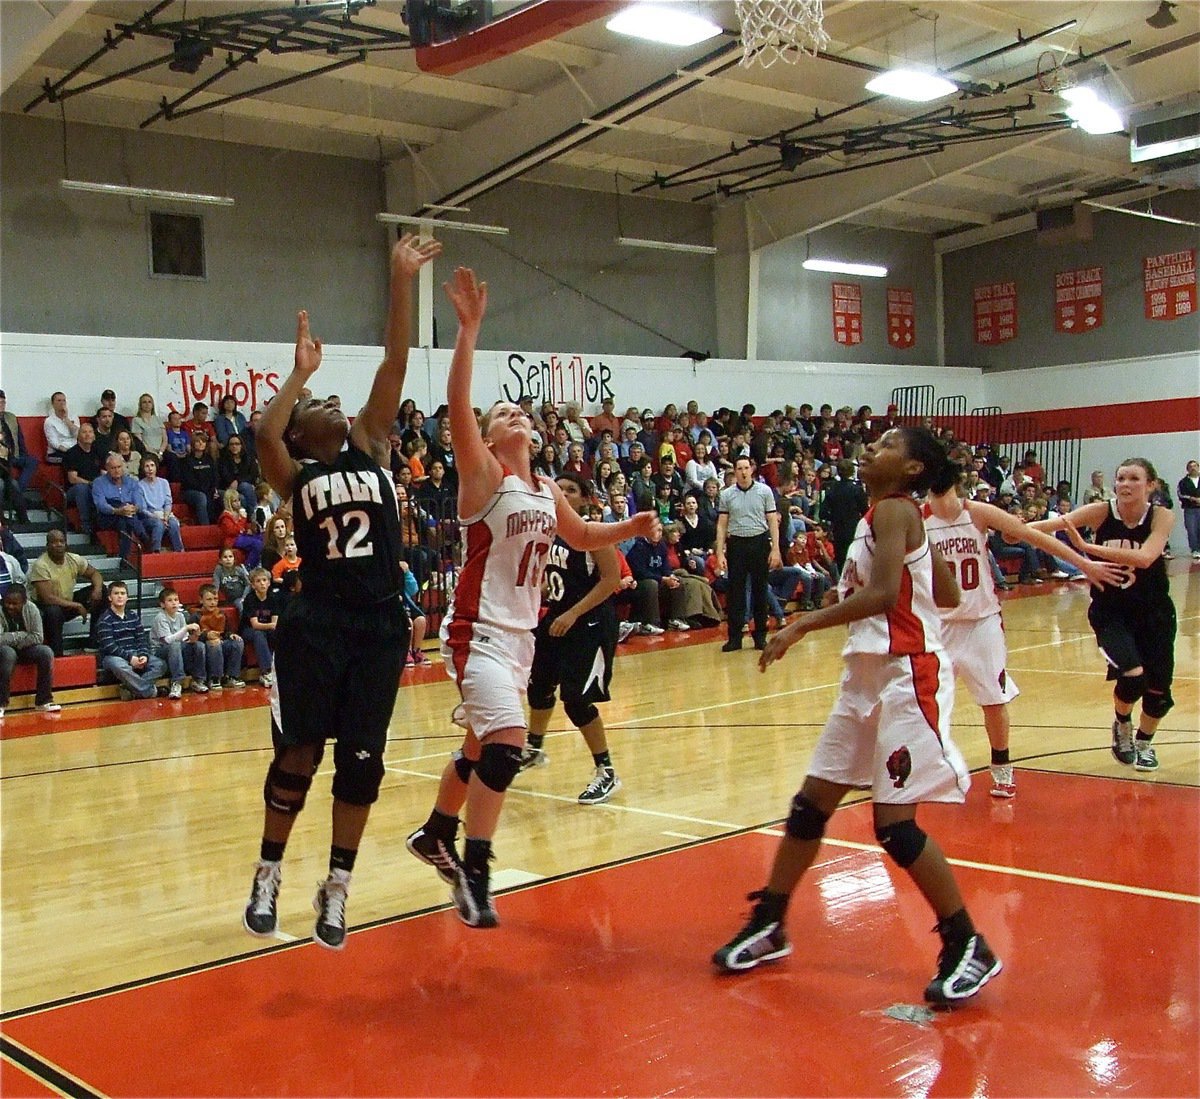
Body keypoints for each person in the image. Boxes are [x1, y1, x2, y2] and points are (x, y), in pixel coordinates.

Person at [712, 427, 1003, 1007]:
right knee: (810, 803)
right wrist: (915, 567)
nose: (873, 448)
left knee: (894, 825)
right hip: (867, 675)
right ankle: (770, 920)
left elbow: (885, 596)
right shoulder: (891, 514)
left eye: (890, 444)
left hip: (906, 675)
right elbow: (941, 592)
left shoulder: (895, 509)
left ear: (913, 470)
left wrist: (799, 625)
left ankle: (970, 944)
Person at [405, 266, 658, 928]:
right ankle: (476, 865)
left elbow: (577, 534)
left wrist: (629, 528)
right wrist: (468, 332)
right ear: (488, 439)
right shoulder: (483, 477)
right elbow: (459, 405)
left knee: (479, 750)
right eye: (502, 414)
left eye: (519, 410)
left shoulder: (547, 489)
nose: (513, 414)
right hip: (476, 631)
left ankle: (435, 831)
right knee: (509, 744)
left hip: (519, 640)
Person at [241, 233, 441, 951]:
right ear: (302, 431)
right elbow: (264, 429)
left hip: (381, 625)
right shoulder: (293, 474)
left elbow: (394, 358)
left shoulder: (372, 441)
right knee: (299, 753)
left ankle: (338, 885)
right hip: (317, 622)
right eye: (316, 401)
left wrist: (399, 279)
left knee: (362, 760)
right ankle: (269, 870)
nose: (332, 398)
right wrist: (298, 375)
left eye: (329, 392)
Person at [924, 473, 1119, 798]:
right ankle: (928, 768)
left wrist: (1084, 564)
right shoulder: (917, 519)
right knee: (927, 701)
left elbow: (1033, 537)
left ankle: (1001, 766)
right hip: (936, 625)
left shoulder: (978, 512)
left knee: (992, 699)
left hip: (980, 623)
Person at [1033, 458, 1178, 772]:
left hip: (1155, 614)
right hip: (1111, 612)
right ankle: (1122, 724)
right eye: (1121, 478)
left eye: (1134, 479)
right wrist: (1016, 532)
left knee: (1159, 693)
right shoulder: (1101, 512)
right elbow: (1053, 525)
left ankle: (1145, 743)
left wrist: (1087, 548)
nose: (1125, 484)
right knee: (1133, 675)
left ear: (1151, 485)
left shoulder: (1161, 516)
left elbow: (1145, 557)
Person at [515, 471, 624, 801]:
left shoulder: (594, 533)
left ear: (584, 497)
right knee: (538, 686)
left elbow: (611, 580)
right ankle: (533, 748)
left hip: (589, 623)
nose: (561, 493)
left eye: (570, 489)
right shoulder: (547, 529)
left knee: (576, 701)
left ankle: (606, 771)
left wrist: (573, 612)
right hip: (557, 618)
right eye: (558, 488)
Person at [715, 456, 782, 653]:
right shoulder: (726, 494)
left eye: (746, 468)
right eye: (739, 469)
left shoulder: (765, 491)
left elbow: (772, 521)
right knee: (735, 592)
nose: (743, 472)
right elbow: (721, 525)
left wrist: (775, 549)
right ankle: (735, 637)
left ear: (752, 469)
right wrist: (720, 552)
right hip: (736, 544)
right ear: (734, 471)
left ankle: (760, 636)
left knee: (761, 590)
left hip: (759, 542)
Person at [28, 530, 106, 655]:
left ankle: (94, 642)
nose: (58, 545)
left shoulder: (73, 559)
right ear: (47, 545)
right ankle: (57, 654)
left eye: (61, 541)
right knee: (53, 611)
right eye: (54, 542)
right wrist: (77, 605)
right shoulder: (41, 565)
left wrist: (97, 589)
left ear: (66, 544)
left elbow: (95, 574)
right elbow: (47, 598)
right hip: (43, 608)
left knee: (103, 591)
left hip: (66, 603)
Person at [97, 580, 166, 700]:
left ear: (127, 597)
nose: (119, 596)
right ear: (109, 597)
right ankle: (149, 691)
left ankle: (131, 689)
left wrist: (143, 654)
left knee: (160, 665)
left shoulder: (133, 616)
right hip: (113, 657)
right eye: (116, 593)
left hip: (135, 653)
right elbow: (109, 646)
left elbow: (141, 638)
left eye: (123, 593)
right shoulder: (104, 619)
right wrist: (130, 658)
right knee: (121, 666)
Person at [0, 584, 60, 718]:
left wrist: (14, 639)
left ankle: (43, 701)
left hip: (25, 648)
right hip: (4, 650)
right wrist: (20, 635)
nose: (10, 606)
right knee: (8, 654)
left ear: (24, 602)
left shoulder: (32, 609)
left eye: (15, 604)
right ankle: (1, 704)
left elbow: (38, 637)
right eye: (7, 603)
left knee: (46, 652)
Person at [91, 453, 149, 559]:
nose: (117, 470)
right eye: (113, 468)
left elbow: (139, 503)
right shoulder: (98, 483)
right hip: (107, 516)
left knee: (123, 522)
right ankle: (142, 535)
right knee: (121, 511)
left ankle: (124, 559)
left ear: (123, 467)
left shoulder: (131, 482)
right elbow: (101, 505)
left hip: (128, 514)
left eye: (119, 467)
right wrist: (118, 510)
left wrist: (132, 508)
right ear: (107, 468)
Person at [190, 584, 246, 691]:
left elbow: (226, 631)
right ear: (201, 600)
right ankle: (214, 678)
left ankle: (231, 676)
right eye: (209, 599)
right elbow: (192, 637)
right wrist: (206, 635)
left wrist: (231, 635)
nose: (212, 602)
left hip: (221, 642)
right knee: (214, 644)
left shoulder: (222, 614)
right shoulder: (196, 616)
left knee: (238, 642)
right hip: (206, 645)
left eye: (215, 599)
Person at [150, 586, 203, 699]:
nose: (174, 603)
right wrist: (185, 628)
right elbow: (167, 641)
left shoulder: (180, 616)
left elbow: (184, 639)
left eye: (176, 600)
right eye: (170, 600)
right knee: (174, 645)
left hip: (177, 648)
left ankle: (198, 680)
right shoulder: (161, 618)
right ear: (162, 605)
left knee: (199, 645)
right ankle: (177, 682)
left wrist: (194, 637)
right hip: (160, 652)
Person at [820, 459, 869, 569]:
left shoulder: (831, 489)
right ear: (852, 471)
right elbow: (865, 511)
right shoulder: (857, 489)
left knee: (842, 562)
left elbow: (822, 513)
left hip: (838, 530)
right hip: (854, 529)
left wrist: (834, 517)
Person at [239, 567, 281, 688]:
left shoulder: (273, 598)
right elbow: (255, 624)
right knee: (258, 634)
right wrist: (271, 626)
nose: (262, 583)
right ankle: (266, 671)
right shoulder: (250, 599)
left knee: (279, 634)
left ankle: (281, 668)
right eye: (258, 581)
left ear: (269, 582)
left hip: (266, 629)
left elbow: (275, 622)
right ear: (252, 585)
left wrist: (272, 626)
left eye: (264, 580)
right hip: (248, 630)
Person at [135, 457, 185, 553]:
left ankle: (179, 551)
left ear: (156, 467)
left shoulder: (164, 482)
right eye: (147, 466)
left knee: (173, 523)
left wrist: (165, 516)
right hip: (148, 516)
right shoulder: (139, 485)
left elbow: (168, 502)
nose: (150, 469)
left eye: (152, 465)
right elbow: (142, 508)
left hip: (164, 514)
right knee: (158, 524)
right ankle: (155, 551)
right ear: (143, 469)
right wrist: (157, 516)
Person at [62, 422, 103, 536]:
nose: (87, 435)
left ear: (94, 436)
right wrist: (91, 483)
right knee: (82, 488)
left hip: (95, 486)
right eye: (84, 432)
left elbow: (104, 473)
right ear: (78, 436)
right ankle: (85, 524)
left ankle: (101, 523)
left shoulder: (98, 451)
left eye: (90, 432)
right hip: (73, 491)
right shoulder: (71, 453)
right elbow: (73, 479)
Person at [0, 390, 38, 497]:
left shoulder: (11, 417)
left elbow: (19, 437)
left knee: (32, 461)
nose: (1, 405)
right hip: (2, 457)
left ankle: (17, 493)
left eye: (3, 402)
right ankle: (15, 496)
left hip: (14, 454)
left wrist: (23, 454)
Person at [179, 431, 221, 525]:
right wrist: (206, 490)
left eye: (203, 441)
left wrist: (215, 489)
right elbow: (188, 481)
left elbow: (215, 476)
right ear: (193, 444)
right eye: (198, 441)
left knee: (224, 495)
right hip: (190, 491)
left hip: (208, 490)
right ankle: (205, 527)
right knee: (202, 497)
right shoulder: (187, 460)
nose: (201, 443)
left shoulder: (209, 459)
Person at [218, 487, 263, 569]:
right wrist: (242, 519)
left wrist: (249, 529)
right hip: (232, 540)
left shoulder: (239, 512)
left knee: (261, 538)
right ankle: (247, 567)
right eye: (235, 501)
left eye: (238, 500)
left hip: (241, 537)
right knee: (257, 544)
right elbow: (233, 531)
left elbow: (243, 528)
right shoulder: (225, 517)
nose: (238, 503)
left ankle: (258, 564)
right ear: (229, 503)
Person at [218, 435, 261, 515]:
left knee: (245, 486)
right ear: (228, 446)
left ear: (241, 445)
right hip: (228, 488)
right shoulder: (223, 459)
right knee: (242, 498)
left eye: (237, 444)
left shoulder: (248, 458)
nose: (234, 446)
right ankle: (254, 515)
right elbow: (225, 476)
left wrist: (238, 481)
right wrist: (236, 481)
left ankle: (254, 515)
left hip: (245, 486)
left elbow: (253, 475)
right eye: (232, 444)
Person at [399, 560, 430, 667]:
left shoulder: (402, 568)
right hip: (394, 607)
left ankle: (417, 651)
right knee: (408, 623)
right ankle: (406, 652)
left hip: (406, 606)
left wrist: (407, 572)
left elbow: (413, 589)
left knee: (420, 620)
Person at [213, 546, 252, 613]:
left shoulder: (239, 569)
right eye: (225, 557)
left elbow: (248, 584)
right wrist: (214, 597)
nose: (228, 559)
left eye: (230, 557)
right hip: (233, 599)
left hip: (243, 596)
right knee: (241, 606)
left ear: (234, 559)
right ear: (220, 560)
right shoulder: (218, 570)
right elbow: (216, 585)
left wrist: (244, 597)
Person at [43, 391, 79, 464]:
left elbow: (77, 435)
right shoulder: (49, 421)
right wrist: (69, 452)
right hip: (57, 452)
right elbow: (54, 443)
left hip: (74, 449)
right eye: (59, 400)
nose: (62, 403)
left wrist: (66, 419)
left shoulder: (74, 417)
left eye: (64, 400)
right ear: (53, 404)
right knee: (71, 459)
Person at [131, 393, 166, 461]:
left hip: (161, 451)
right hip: (147, 451)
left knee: (172, 458)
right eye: (144, 402)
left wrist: (161, 452)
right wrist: (154, 453)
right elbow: (140, 442)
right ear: (140, 405)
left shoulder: (158, 419)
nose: (147, 404)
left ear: (152, 405)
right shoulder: (136, 420)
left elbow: (165, 439)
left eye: (149, 402)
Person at [1177, 459, 1200, 560]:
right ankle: (1195, 550)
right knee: (1192, 529)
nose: (1193, 468)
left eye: (1195, 466)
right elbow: (1180, 494)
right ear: (1187, 469)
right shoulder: (1183, 482)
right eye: (1191, 467)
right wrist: (1192, 498)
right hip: (1190, 509)